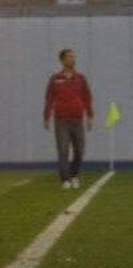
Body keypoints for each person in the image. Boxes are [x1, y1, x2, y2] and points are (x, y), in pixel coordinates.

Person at [43, 48, 93, 189]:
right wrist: (46, 117)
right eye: (69, 57)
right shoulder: (55, 79)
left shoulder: (81, 78)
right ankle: (65, 180)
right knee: (63, 150)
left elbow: (87, 98)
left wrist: (90, 116)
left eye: (73, 57)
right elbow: (49, 99)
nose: (72, 59)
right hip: (61, 121)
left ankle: (74, 175)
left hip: (77, 120)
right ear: (62, 60)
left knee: (79, 150)